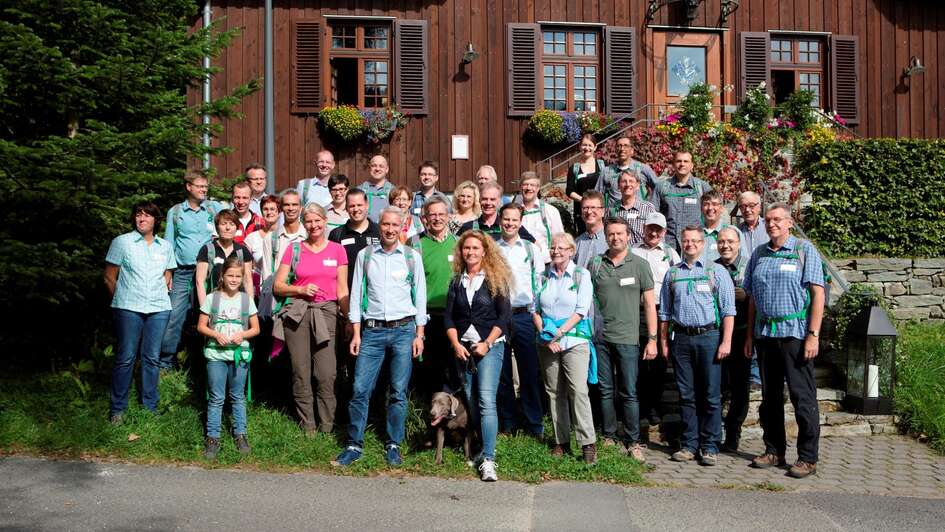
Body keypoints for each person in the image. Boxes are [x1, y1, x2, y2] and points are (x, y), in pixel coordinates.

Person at [333, 207, 427, 468]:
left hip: (404, 331)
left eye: (395, 225)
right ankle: (354, 443)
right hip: (372, 331)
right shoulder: (365, 256)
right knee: (360, 389)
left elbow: (420, 297)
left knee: (397, 391)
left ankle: (393, 443)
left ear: (402, 227)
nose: (389, 229)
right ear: (380, 226)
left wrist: (420, 334)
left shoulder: (411, 257)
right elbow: (355, 296)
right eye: (385, 224)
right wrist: (356, 332)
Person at [744, 203, 825, 479]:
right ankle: (774, 450)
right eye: (768, 220)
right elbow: (752, 298)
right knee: (770, 399)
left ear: (790, 222)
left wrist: (813, 334)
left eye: (777, 219)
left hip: (796, 335)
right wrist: (750, 335)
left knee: (803, 398)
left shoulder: (804, 250)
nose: (772, 224)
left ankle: (807, 457)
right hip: (766, 335)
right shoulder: (759, 253)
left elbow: (818, 294)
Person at [658, 225, 735, 467]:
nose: (690, 244)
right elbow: (665, 312)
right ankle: (689, 444)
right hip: (681, 339)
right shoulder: (672, 274)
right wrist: (663, 341)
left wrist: (726, 341)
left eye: (694, 241)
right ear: (681, 243)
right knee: (686, 394)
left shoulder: (716, 271)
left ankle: (710, 446)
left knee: (711, 395)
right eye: (686, 240)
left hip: (709, 337)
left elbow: (729, 311)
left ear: (703, 244)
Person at [273, 203, 349, 435]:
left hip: (326, 313)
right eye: (309, 221)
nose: (314, 225)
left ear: (325, 221)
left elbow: (342, 288)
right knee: (300, 370)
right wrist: (300, 290)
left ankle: (327, 426)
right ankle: (308, 425)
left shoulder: (337, 250)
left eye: (318, 220)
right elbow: (278, 286)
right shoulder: (294, 249)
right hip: (298, 314)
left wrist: (347, 320)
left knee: (327, 373)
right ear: (303, 224)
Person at [444, 230, 513, 482]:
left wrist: (487, 342)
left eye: (475, 248)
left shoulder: (496, 279)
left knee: (486, 400)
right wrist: (455, 344)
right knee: (472, 400)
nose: (470, 252)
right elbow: (449, 317)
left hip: (490, 346)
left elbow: (504, 317)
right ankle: (480, 448)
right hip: (464, 348)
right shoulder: (456, 281)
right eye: (466, 248)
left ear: (485, 251)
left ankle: (489, 458)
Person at [589, 217, 658, 463]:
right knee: (605, 390)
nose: (615, 238)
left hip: (629, 338)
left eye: (620, 233)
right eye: (611, 234)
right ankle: (608, 436)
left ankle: (632, 441)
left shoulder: (639, 264)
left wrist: (652, 339)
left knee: (629, 391)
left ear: (628, 236)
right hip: (601, 338)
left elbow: (650, 304)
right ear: (605, 236)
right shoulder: (595, 263)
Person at [104, 201, 176, 424]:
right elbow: (109, 276)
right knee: (125, 358)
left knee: (152, 358)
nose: (141, 219)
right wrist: (123, 298)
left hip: (158, 308)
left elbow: (168, 273)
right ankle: (118, 409)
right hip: (128, 308)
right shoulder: (122, 242)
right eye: (138, 215)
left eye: (146, 215)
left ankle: (150, 408)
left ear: (156, 220)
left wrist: (162, 287)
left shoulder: (165, 246)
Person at [534, 232, 597, 464]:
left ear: (571, 251)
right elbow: (534, 309)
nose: (556, 251)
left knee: (578, 390)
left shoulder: (581, 275)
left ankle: (587, 442)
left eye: (561, 248)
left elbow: (581, 310)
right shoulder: (542, 276)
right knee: (553, 392)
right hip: (547, 342)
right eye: (553, 247)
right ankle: (561, 441)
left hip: (574, 340)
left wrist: (559, 333)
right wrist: (546, 336)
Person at [196, 255, 261, 459]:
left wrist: (242, 334)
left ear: (242, 279)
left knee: (238, 396)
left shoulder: (246, 300)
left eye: (238, 276)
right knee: (216, 397)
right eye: (230, 275)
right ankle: (213, 437)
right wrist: (216, 334)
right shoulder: (211, 298)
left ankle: (240, 434)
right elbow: (201, 326)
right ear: (222, 276)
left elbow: (256, 329)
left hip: (239, 355)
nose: (234, 279)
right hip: (216, 355)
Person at [160, 171, 223, 369]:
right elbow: (169, 244)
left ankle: (212, 359)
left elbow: (227, 231)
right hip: (183, 271)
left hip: (211, 271)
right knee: (175, 315)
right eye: (200, 186)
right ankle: (166, 362)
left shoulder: (214, 209)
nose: (204, 189)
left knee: (212, 312)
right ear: (189, 187)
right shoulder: (176, 212)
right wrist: (168, 272)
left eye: (206, 186)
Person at [496, 203, 545, 437]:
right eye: (506, 219)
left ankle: (534, 424)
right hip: (499, 318)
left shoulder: (530, 249)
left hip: (524, 315)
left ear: (520, 221)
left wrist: (536, 314)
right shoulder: (492, 248)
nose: (510, 223)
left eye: (514, 220)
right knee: (503, 374)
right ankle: (508, 423)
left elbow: (538, 283)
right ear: (500, 220)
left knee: (529, 372)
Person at [631, 212, 681, 426]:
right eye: (650, 228)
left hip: (663, 312)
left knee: (661, 360)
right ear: (643, 229)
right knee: (640, 361)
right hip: (638, 311)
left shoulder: (670, 254)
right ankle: (641, 407)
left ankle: (654, 407)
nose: (653, 232)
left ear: (664, 232)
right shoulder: (633, 251)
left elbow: (678, 282)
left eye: (658, 229)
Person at [413, 197, 459, 396]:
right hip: (427, 317)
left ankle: (454, 416)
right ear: (424, 218)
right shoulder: (416, 244)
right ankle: (429, 412)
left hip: (455, 317)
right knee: (429, 368)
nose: (437, 218)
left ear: (448, 216)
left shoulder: (459, 243)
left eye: (441, 214)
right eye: (432, 214)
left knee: (453, 368)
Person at [714, 226, 752, 452]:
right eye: (721, 241)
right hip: (716, 333)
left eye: (730, 241)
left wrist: (744, 295)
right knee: (716, 386)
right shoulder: (712, 267)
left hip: (741, 333)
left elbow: (755, 297)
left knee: (739, 387)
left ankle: (733, 433)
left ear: (738, 243)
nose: (725, 245)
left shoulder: (749, 266)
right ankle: (713, 432)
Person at [649, 151, 710, 252]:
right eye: (679, 161)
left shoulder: (702, 187)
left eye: (686, 161)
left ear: (692, 165)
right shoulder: (662, 187)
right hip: (668, 245)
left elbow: (713, 213)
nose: (682, 164)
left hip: (694, 245)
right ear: (673, 164)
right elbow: (653, 215)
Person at [194, 210, 254, 309]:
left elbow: (248, 281)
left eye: (232, 224)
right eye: (223, 224)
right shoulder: (207, 250)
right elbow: (200, 282)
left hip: (237, 305)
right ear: (217, 228)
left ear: (236, 228)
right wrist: (205, 310)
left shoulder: (242, 251)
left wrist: (250, 309)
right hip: (213, 304)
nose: (228, 228)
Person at [329, 188, 380, 290]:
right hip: (348, 295)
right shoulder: (336, 234)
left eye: (359, 205)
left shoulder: (379, 231)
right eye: (352, 206)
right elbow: (331, 270)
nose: (356, 209)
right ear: (346, 208)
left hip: (376, 296)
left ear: (367, 205)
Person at [597, 136, 658, 213]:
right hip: (615, 217)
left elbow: (658, 189)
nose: (622, 149)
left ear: (632, 150)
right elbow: (597, 196)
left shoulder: (643, 169)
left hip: (638, 216)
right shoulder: (606, 171)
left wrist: (650, 204)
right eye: (619, 146)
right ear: (615, 150)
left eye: (626, 145)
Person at [457, 182, 535, 242]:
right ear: (479, 200)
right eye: (484, 199)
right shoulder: (467, 227)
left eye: (492, 199)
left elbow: (535, 246)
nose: (488, 203)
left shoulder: (510, 225)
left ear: (499, 201)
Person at [518, 171, 564, 263]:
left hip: (545, 264)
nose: (528, 188)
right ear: (520, 187)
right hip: (520, 264)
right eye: (525, 184)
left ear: (538, 188)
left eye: (532, 185)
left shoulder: (551, 211)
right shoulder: (514, 211)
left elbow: (560, 240)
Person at [566, 134, 606, 235]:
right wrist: (584, 202)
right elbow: (569, 190)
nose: (586, 148)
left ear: (595, 147)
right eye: (584, 145)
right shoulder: (574, 168)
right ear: (580, 147)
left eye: (590, 145)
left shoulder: (603, 166)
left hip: (599, 212)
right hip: (582, 213)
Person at [612, 170, 656, 244]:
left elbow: (656, 233)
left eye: (631, 181)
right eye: (624, 181)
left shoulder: (648, 208)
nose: (628, 184)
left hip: (642, 253)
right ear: (619, 186)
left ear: (638, 185)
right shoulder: (612, 210)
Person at [574, 191, 608, 269]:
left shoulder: (611, 240)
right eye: (585, 208)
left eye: (593, 207)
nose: (589, 212)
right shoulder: (577, 242)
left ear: (603, 211)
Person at [358, 155, 394, 223]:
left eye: (381, 166)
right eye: (374, 165)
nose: (377, 169)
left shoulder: (394, 191)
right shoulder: (359, 191)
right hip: (365, 232)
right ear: (369, 168)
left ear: (387, 169)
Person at [736, 191, 768, 259]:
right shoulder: (736, 231)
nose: (747, 209)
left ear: (759, 207)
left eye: (751, 205)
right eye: (743, 206)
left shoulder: (769, 227)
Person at [700, 189, 725, 264]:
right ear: (701, 208)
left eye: (714, 204)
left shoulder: (732, 233)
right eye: (706, 204)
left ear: (721, 208)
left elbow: (742, 263)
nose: (710, 208)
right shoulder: (694, 234)